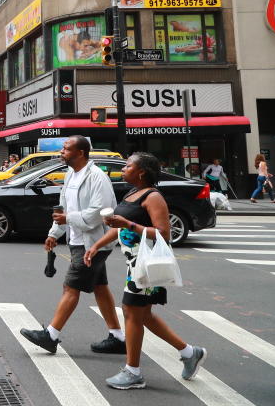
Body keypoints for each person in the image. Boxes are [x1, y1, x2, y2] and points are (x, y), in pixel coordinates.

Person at [85, 152, 206, 390]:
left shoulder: (153, 197)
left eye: (128, 166)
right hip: (134, 264)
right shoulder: (132, 192)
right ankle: (190, 352)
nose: (123, 169)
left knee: (132, 312)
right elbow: (119, 225)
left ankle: (133, 371)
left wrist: (128, 224)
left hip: (147, 264)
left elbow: (163, 233)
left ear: (141, 172)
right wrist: (97, 245)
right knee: (143, 315)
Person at [20, 135, 125, 355]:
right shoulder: (70, 174)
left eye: (66, 149)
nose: (62, 152)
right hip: (77, 240)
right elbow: (63, 208)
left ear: (80, 153)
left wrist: (68, 220)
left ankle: (51, 335)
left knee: (71, 287)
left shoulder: (96, 177)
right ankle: (117, 336)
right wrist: (54, 233)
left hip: (93, 243)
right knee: (99, 287)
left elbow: (99, 212)